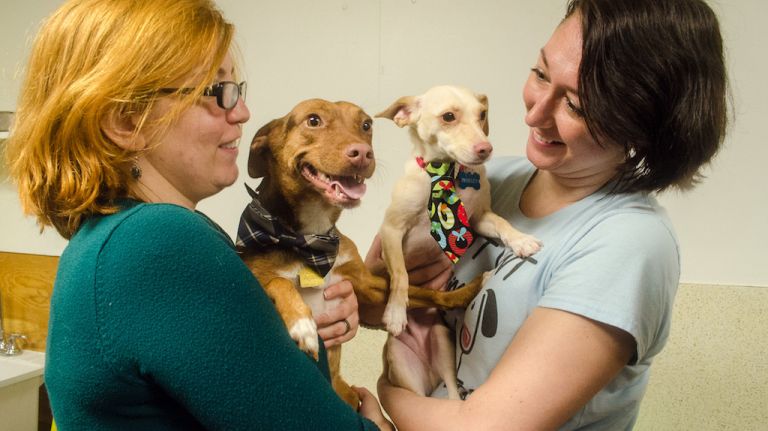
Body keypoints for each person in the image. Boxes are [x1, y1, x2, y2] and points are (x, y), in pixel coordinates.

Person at [4, 0, 392, 429]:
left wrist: (299, 327)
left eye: (238, 90)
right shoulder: (157, 240)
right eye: (218, 91)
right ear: (126, 120)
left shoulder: (112, 236)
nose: (242, 111)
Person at [365, 0, 728, 429]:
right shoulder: (485, 179)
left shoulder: (627, 244)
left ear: (639, 123)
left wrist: (386, 395)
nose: (533, 114)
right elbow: (373, 304)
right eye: (540, 74)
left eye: (575, 105)